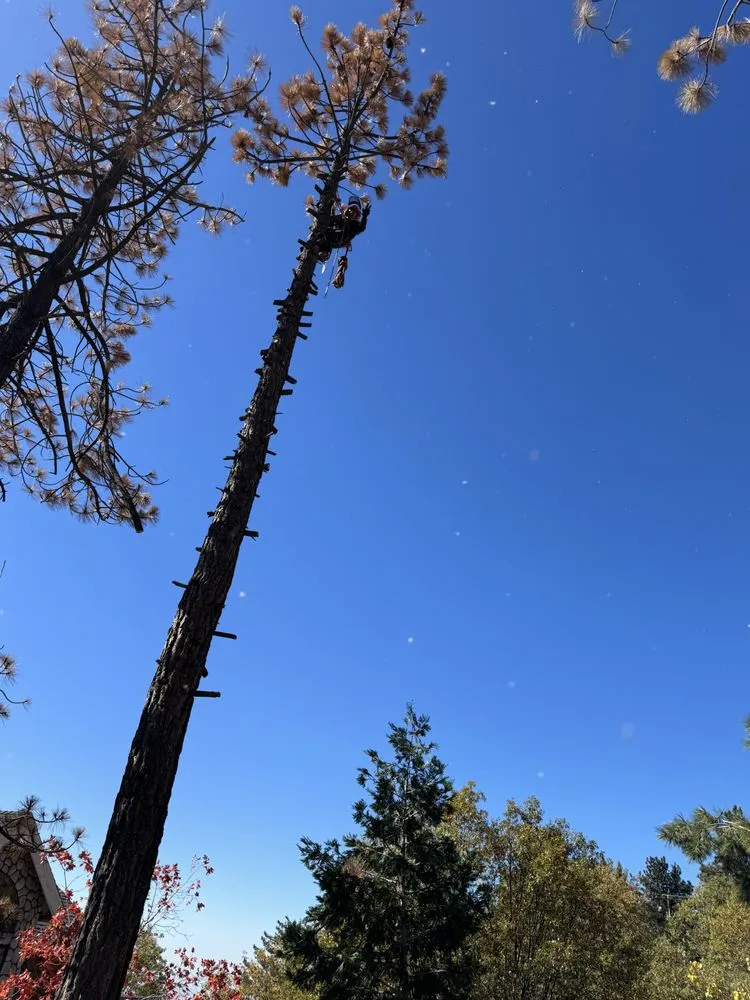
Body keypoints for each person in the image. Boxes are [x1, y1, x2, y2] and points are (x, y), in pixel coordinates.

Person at [314, 195, 370, 262]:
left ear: (356, 215)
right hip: (329, 235)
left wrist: (364, 217)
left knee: (328, 239)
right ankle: (315, 247)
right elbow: (328, 221)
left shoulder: (354, 225)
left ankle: (323, 253)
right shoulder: (339, 218)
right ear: (347, 210)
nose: (351, 212)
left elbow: (361, 228)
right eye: (351, 209)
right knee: (323, 232)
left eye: (354, 212)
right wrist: (322, 208)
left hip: (339, 239)